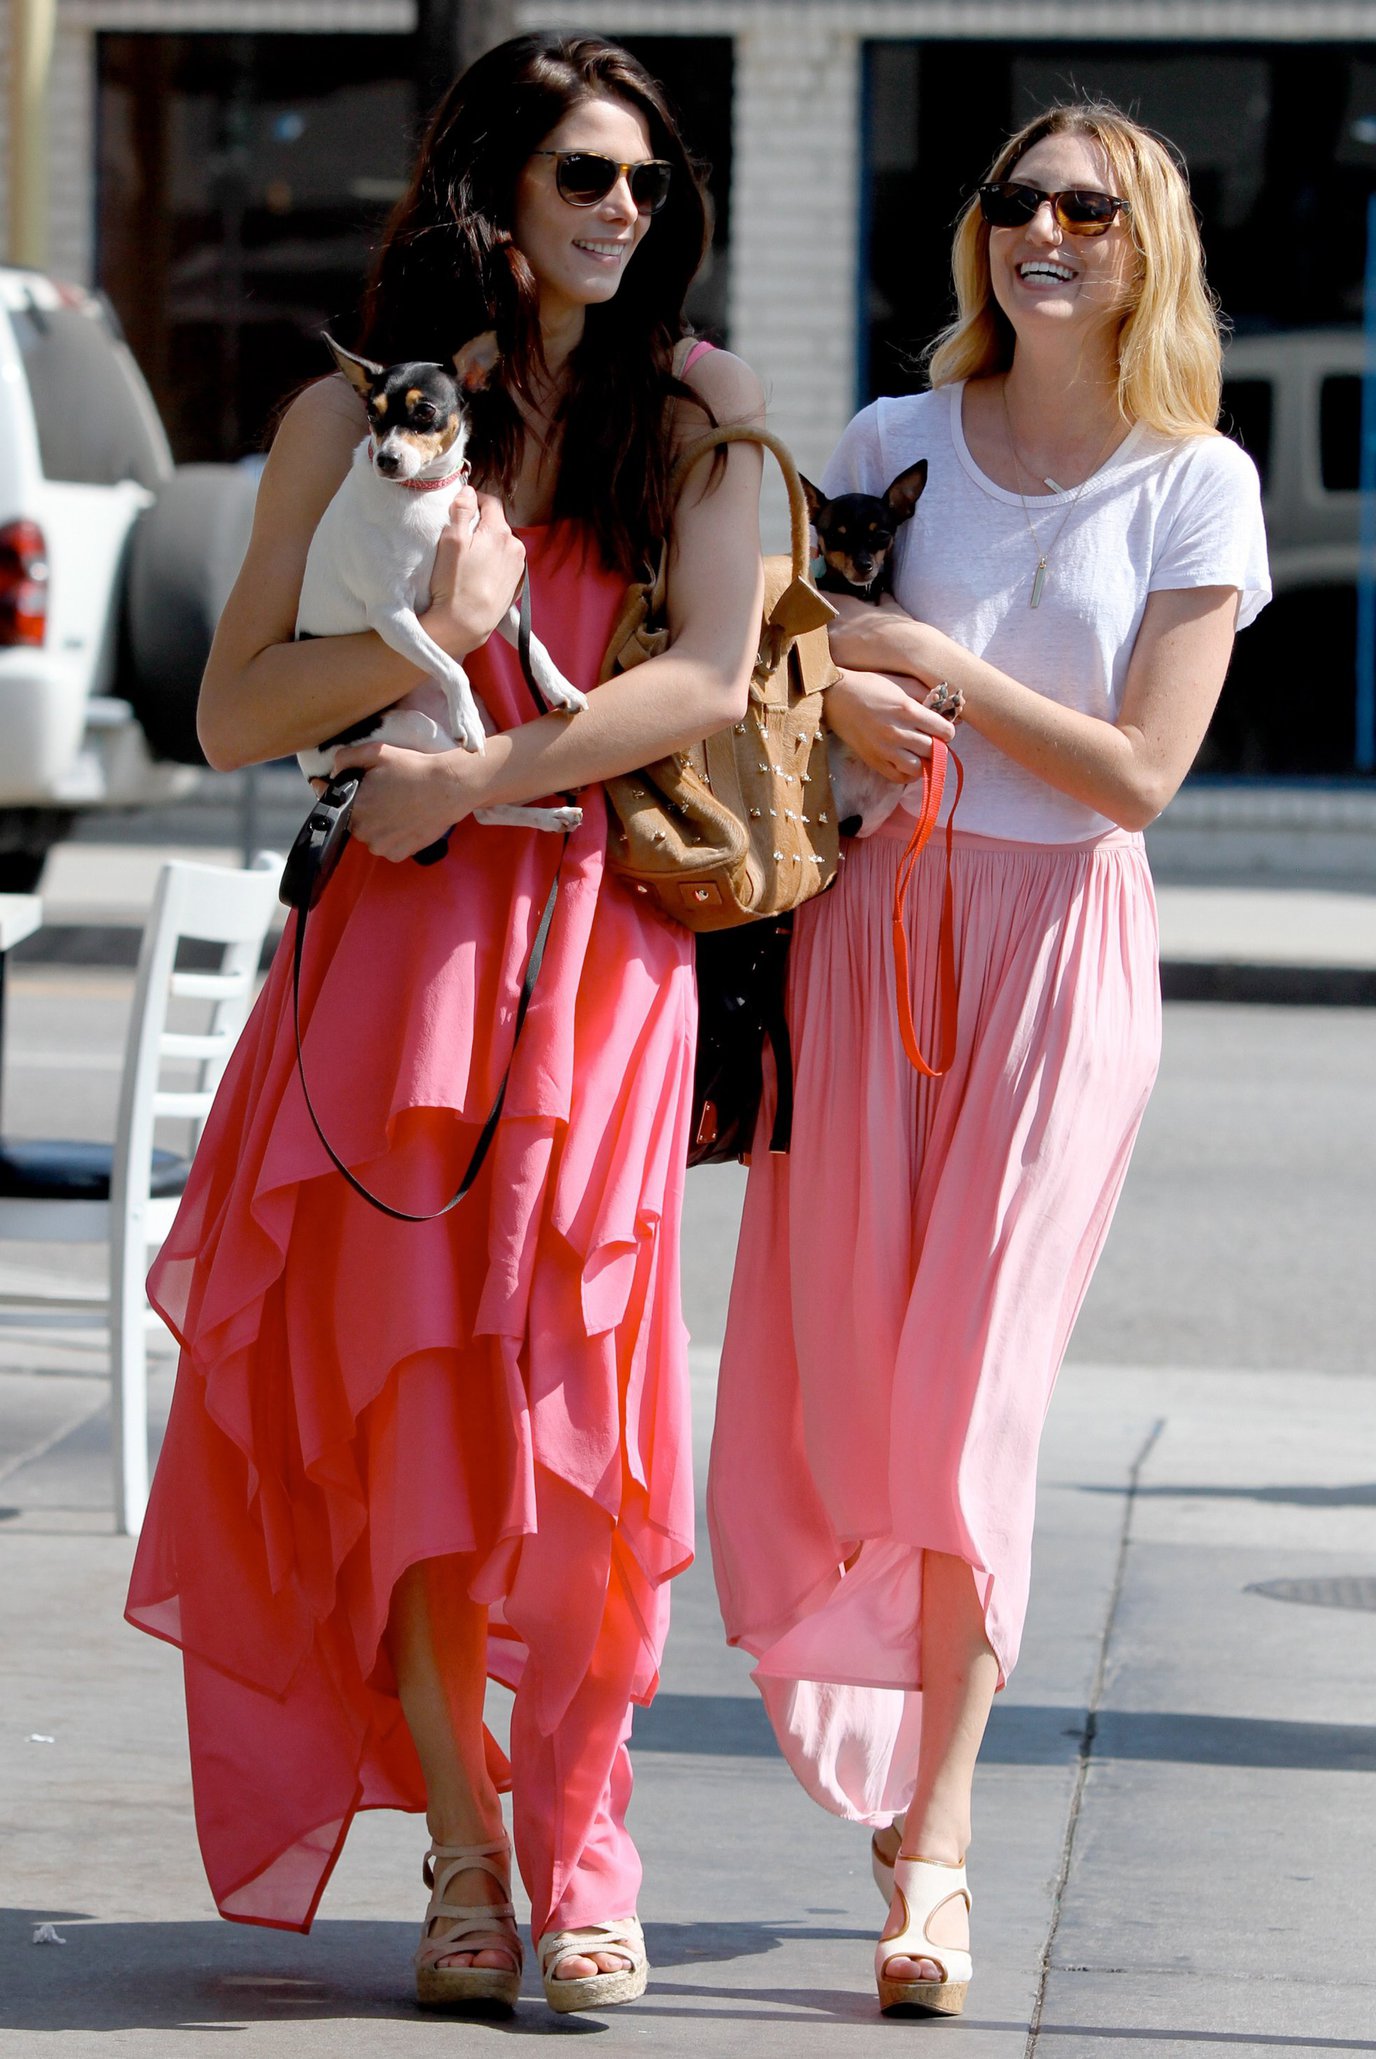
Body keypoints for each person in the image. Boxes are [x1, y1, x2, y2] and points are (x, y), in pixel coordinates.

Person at [125, 31, 764, 2018]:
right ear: (492, 189)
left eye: (648, 183)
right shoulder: (348, 417)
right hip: (392, 965)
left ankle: (582, 1839)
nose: (622, 213)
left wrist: (480, 751)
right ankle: (468, 1847)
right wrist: (431, 636)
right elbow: (233, 713)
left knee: (572, 1425)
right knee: (411, 1415)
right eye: (585, 175)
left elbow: (721, 681)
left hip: (584, 946)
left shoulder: (690, 413)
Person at [708, 102, 1268, 2017]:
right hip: (876, 933)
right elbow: (782, 672)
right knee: (849, 1378)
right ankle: (899, 1764)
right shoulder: (888, 447)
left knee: (971, 1404)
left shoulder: (1197, 483)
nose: (1042, 230)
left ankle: (934, 1847)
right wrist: (838, 686)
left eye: (1086, 209)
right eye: (1016, 201)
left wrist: (937, 670)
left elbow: (1139, 777)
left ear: (1145, 247)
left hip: (1060, 958)